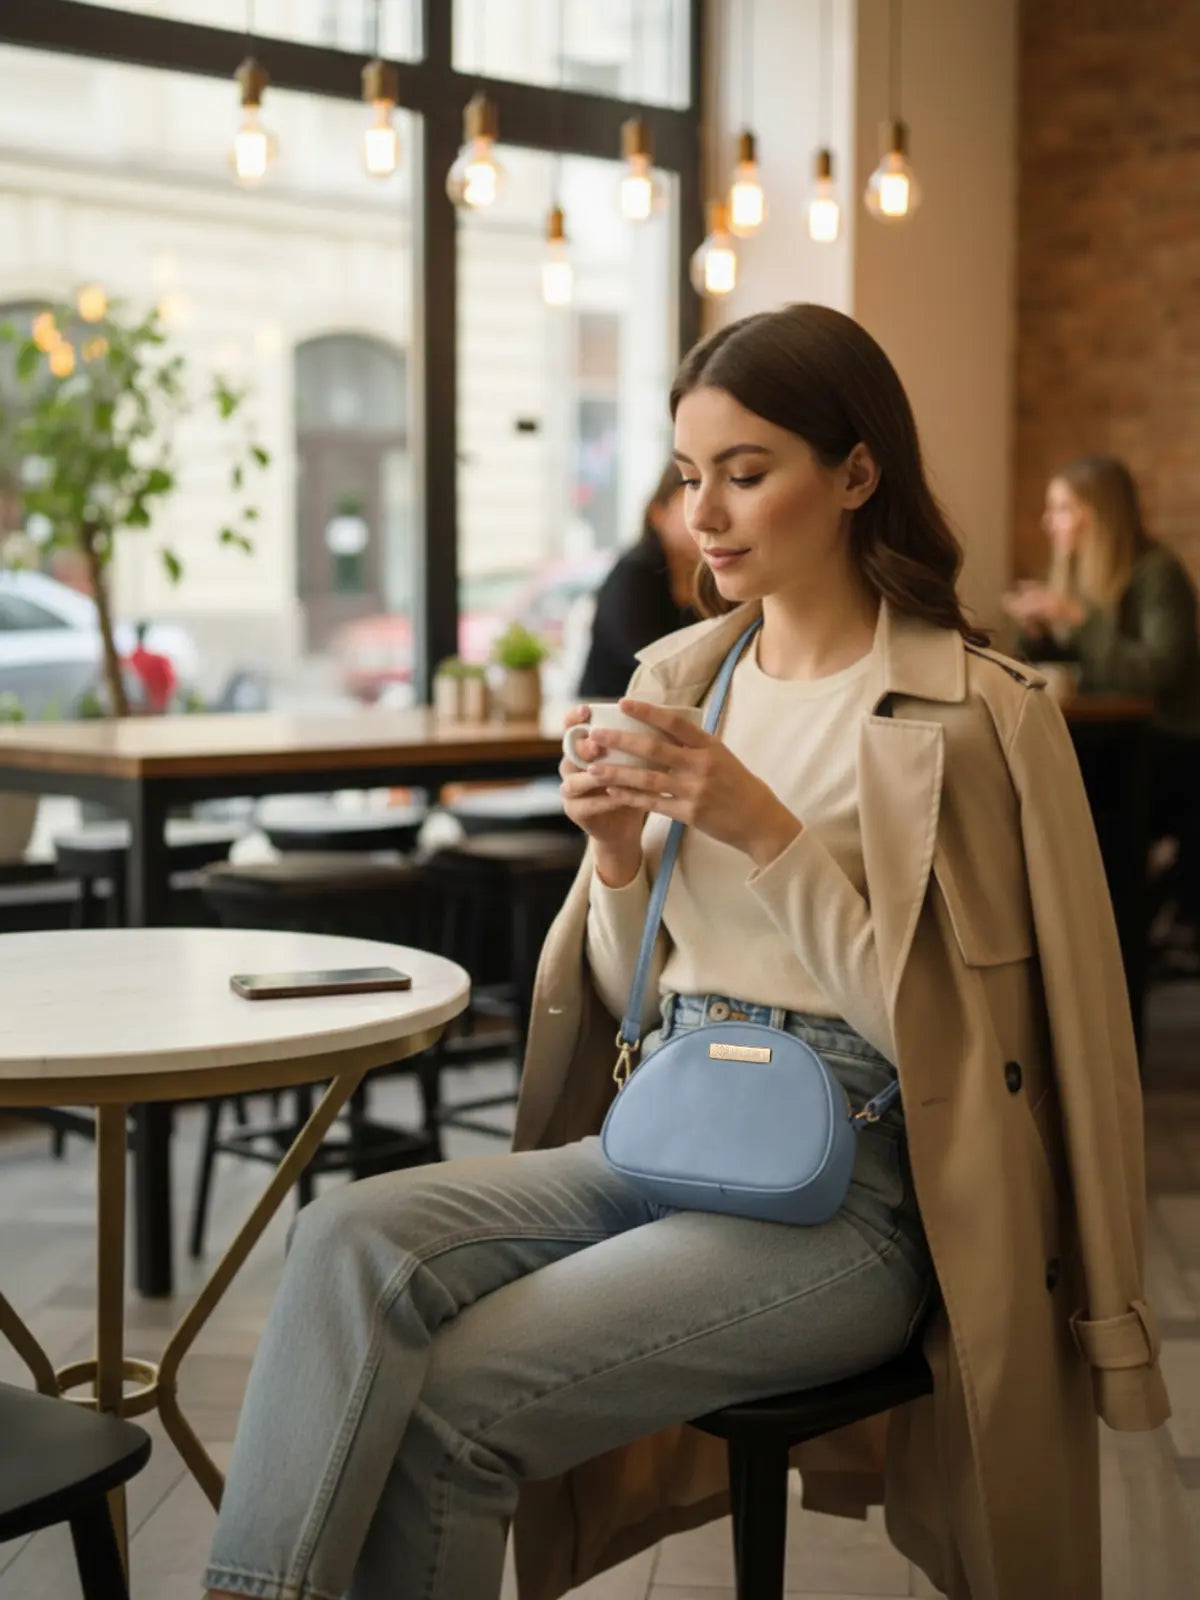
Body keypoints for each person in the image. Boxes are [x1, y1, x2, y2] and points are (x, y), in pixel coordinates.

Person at [204, 306, 1168, 1600]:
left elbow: (971, 1047)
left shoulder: (979, 713)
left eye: (748, 472)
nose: (703, 512)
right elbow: (627, 989)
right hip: (666, 1120)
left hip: (861, 1191)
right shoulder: (682, 681)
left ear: (857, 473)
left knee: (456, 1404)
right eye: (687, 473)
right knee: (343, 1238)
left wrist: (762, 829)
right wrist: (613, 862)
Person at [1003, 455, 1200, 937]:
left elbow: (1157, 671)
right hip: (1106, 739)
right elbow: (1073, 672)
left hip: (1171, 741)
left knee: (1090, 805)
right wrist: (1039, 635)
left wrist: (1076, 619)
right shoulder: (1076, 576)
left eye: (1064, 508)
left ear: (1100, 513)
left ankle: (1115, 932)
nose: (1049, 522)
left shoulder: (1157, 574)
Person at [577, 460, 699, 699]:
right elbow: (652, 662)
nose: (704, 519)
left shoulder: (710, 577)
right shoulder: (635, 572)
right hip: (610, 715)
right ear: (658, 514)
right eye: (690, 506)